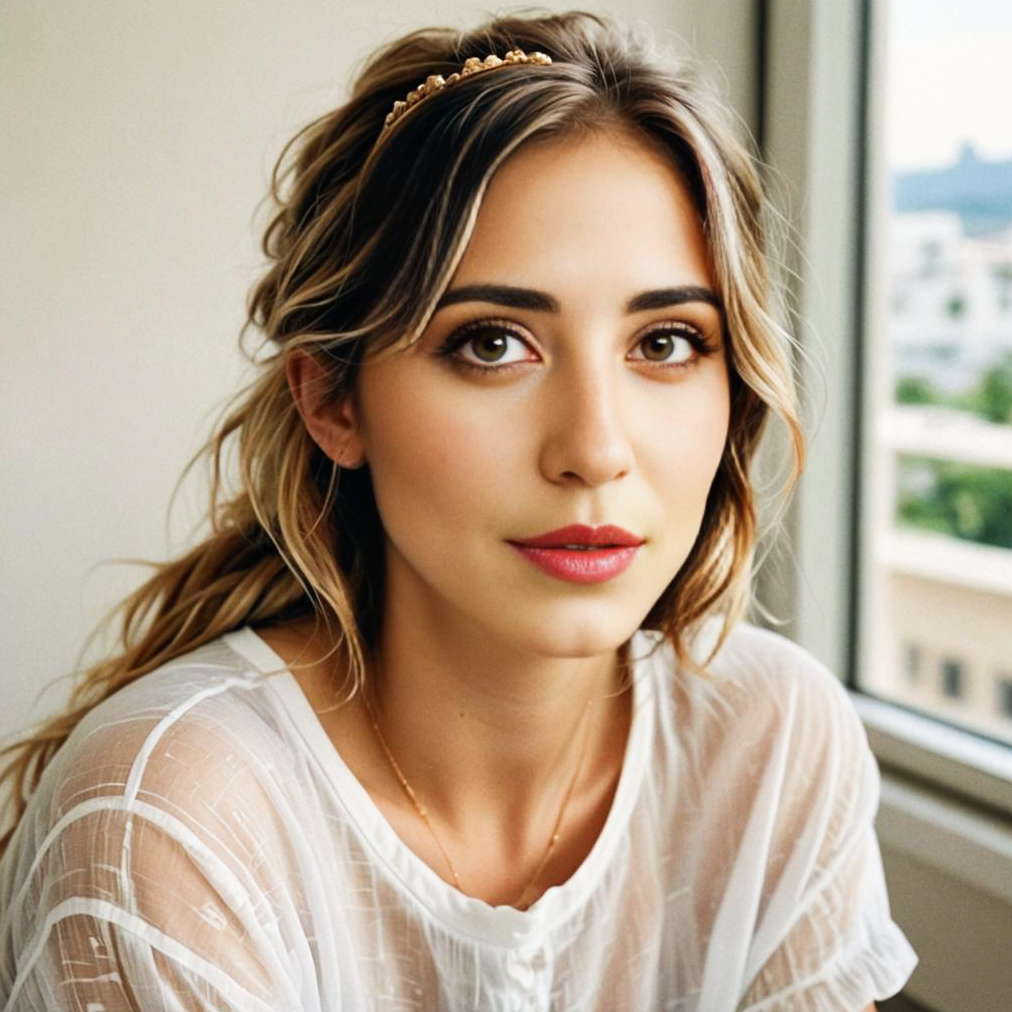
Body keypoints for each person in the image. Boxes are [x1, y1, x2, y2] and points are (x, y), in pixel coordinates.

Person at [0, 10, 918, 1011]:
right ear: (333, 399)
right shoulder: (172, 814)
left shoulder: (767, 739)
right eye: (492, 343)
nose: (595, 449)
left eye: (663, 342)